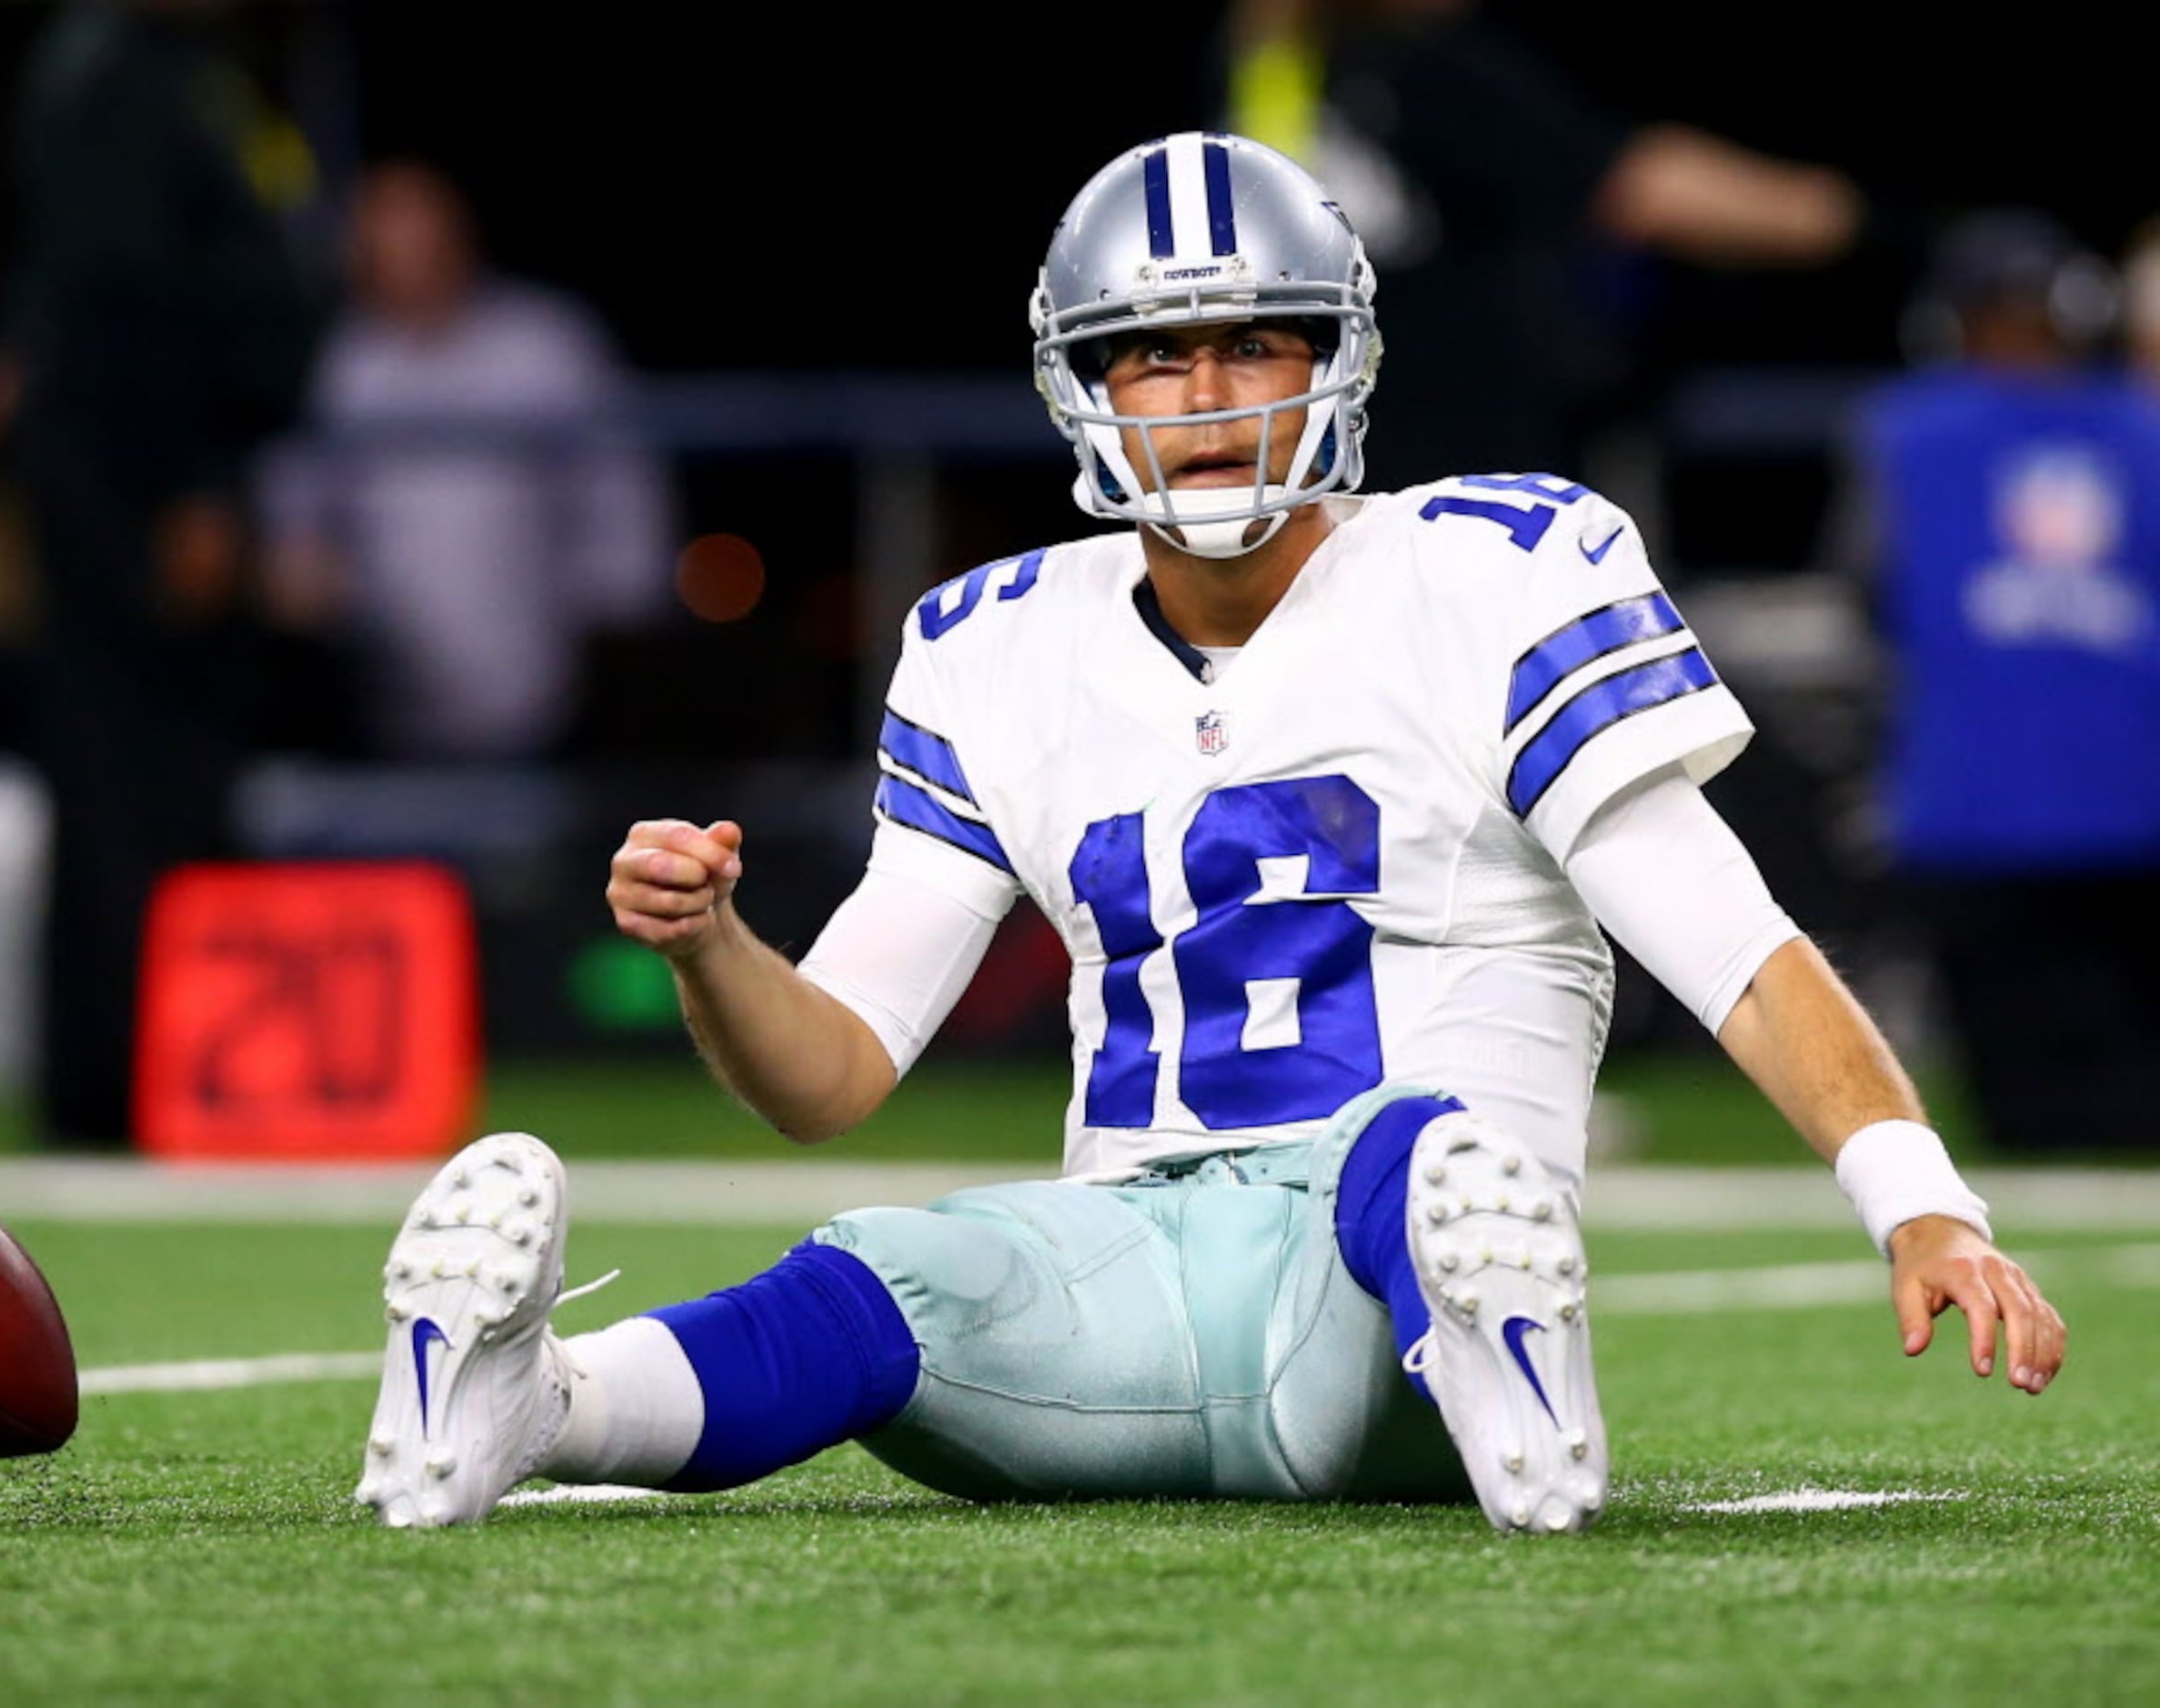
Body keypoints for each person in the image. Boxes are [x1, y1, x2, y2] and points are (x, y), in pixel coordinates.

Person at [355, 135, 2065, 1536]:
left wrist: (1918, 1202)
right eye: (1153, 352)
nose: (1204, 391)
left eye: (1254, 340)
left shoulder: (1493, 570)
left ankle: (1500, 1351)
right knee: (881, 1273)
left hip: (1383, 1287)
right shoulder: (992, 640)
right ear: (1081, 384)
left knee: (1423, 1155)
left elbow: (1733, 945)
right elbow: (833, 1074)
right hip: (1131, 1268)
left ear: (1338, 359)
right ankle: (533, 1403)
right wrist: (713, 951)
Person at [0, 0, 324, 1145]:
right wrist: (191, 485)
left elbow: (81, 265)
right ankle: (126, 1089)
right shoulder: (113, 70)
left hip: (148, 462)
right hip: (141, 478)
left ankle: (169, 1073)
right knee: (133, 784)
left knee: (161, 779)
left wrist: (17, 351)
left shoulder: (174, 69)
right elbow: (122, 291)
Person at [1221, 0, 1869, 491]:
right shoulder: (1424, 69)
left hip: (1315, 474)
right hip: (1462, 470)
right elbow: (1641, 190)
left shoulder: (1263, 77)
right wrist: (1843, 215)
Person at [1850, 208, 2160, 1155]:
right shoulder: (2144, 430)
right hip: (2129, 809)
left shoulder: (1902, 433)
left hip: (1971, 809)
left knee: (2021, 1128)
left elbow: (1868, 591)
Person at [259, 158, 674, 763]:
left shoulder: (544, 345)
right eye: (381, 232)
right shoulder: (346, 364)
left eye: (418, 224)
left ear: (456, 230)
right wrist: (306, 570)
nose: (403, 251)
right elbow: (295, 519)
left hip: (547, 696)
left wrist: (616, 643)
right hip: (386, 702)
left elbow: (623, 514)